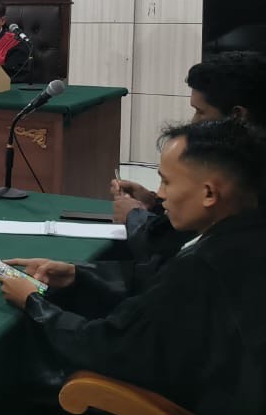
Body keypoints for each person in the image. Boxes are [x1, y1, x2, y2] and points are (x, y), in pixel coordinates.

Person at [0, 119, 266, 415]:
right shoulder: (241, 235)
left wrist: (34, 304)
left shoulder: (203, 269)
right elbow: (156, 282)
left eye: (167, 181)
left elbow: (107, 348)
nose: (160, 195)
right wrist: (77, 275)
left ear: (209, 193)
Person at [112, 50, 266, 270]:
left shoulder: (243, 174)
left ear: (237, 116)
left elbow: (160, 243)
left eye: (200, 112)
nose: (193, 122)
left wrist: (133, 215)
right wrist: (154, 203)